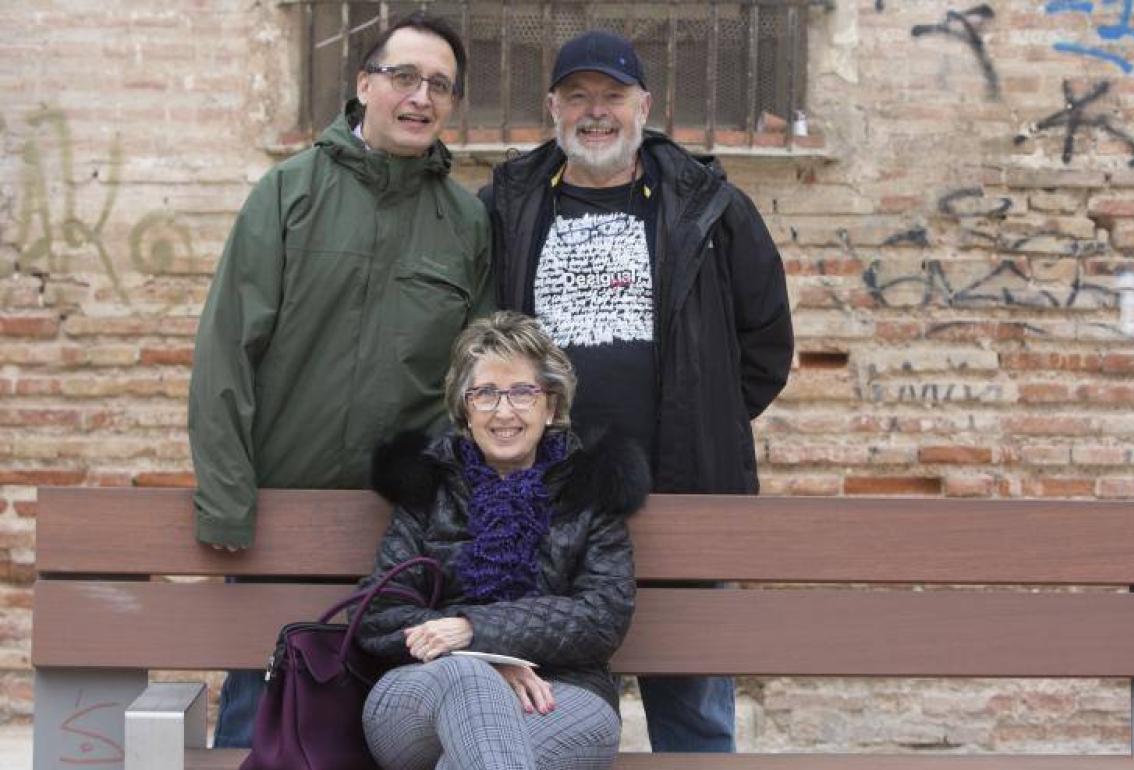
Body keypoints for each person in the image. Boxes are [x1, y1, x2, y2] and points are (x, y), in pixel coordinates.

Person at [480, 30, 794, 753]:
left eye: (612, 96)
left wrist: (703, 417)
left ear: (644, 105)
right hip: (542, 501)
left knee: (695, 716)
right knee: (548, 716)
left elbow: (766, 341)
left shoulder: (708, 205)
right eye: (578, 97)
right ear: (551, 107)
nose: (596, 113)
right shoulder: (507, 203)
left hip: (680, 494)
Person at [187, 14, 493, 748]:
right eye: (404, 77)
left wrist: (456, 501)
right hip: (281, 512)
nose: (421, 97)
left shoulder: (463, 220)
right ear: (364, 86)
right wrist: (230, 499)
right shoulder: (289, 193)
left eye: (440, 85)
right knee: (257, 708)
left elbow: (477, 380)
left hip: (404, 522)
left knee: (385, 712)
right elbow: (227, 351)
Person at [355, 310, 648, 770]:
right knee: (471, 683)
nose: (504, 410)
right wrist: (480, 659)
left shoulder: (589, 488)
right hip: (421, 693)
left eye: (522, 392)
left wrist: (474, 628)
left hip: (564, 694)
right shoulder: (428, 485)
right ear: (464, 408)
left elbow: (601, 617)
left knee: (478, 753)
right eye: (486, 393)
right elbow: (378, 615)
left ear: (550, 405)